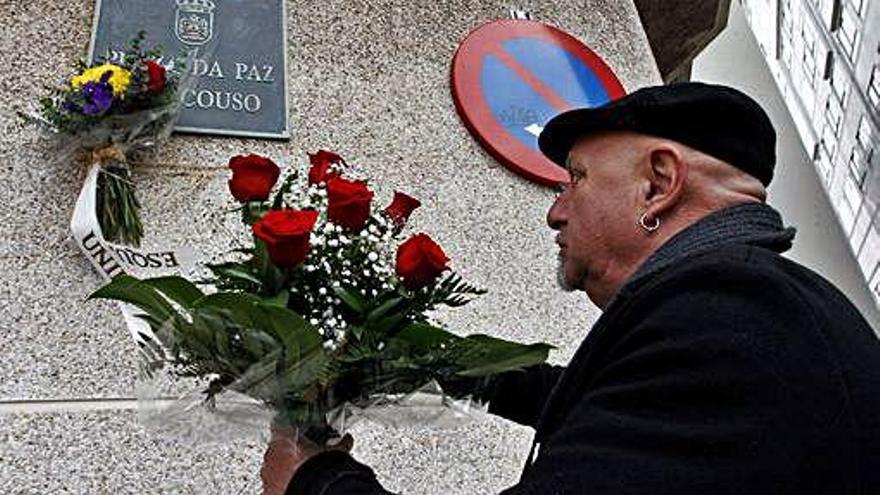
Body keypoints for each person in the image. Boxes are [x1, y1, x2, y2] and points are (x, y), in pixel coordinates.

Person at [261, 82, 880, 494]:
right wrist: (419, 361)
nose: (556, 212)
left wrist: (315, 480)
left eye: (575, 181)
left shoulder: (737, 313)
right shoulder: (743, 308)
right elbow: (606, 402)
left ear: (658, 184)